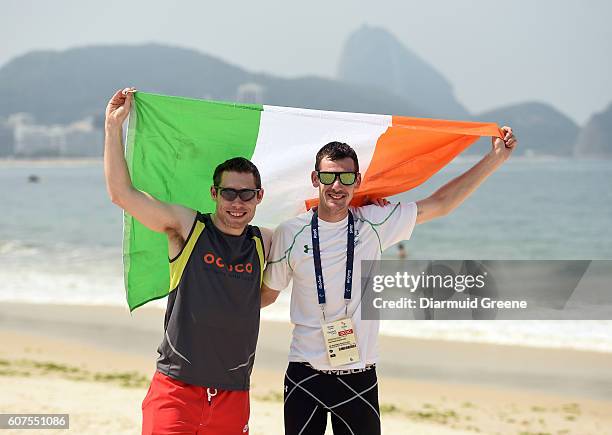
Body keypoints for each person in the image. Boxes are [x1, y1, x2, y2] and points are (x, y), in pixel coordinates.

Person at [261, 131, 517, 434]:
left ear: (357, 181)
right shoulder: (291, 232)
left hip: (359, 373)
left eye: (346, 178)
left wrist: (495, 159)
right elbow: (266, 295)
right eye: (329, 177)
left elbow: (441, 203)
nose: (337, 186)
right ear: (315, 179)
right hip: (305, 373)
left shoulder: (375, 222)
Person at [104, 87, 272, 434]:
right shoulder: (189, 228)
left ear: (259, 197)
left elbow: (316, 237)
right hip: (176, 389)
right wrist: (113, 129)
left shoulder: (265, 242)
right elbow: (123, 195)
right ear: (214, 194)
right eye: (228, 193)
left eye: (247, 194)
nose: (237, 202)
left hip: (234, 394)